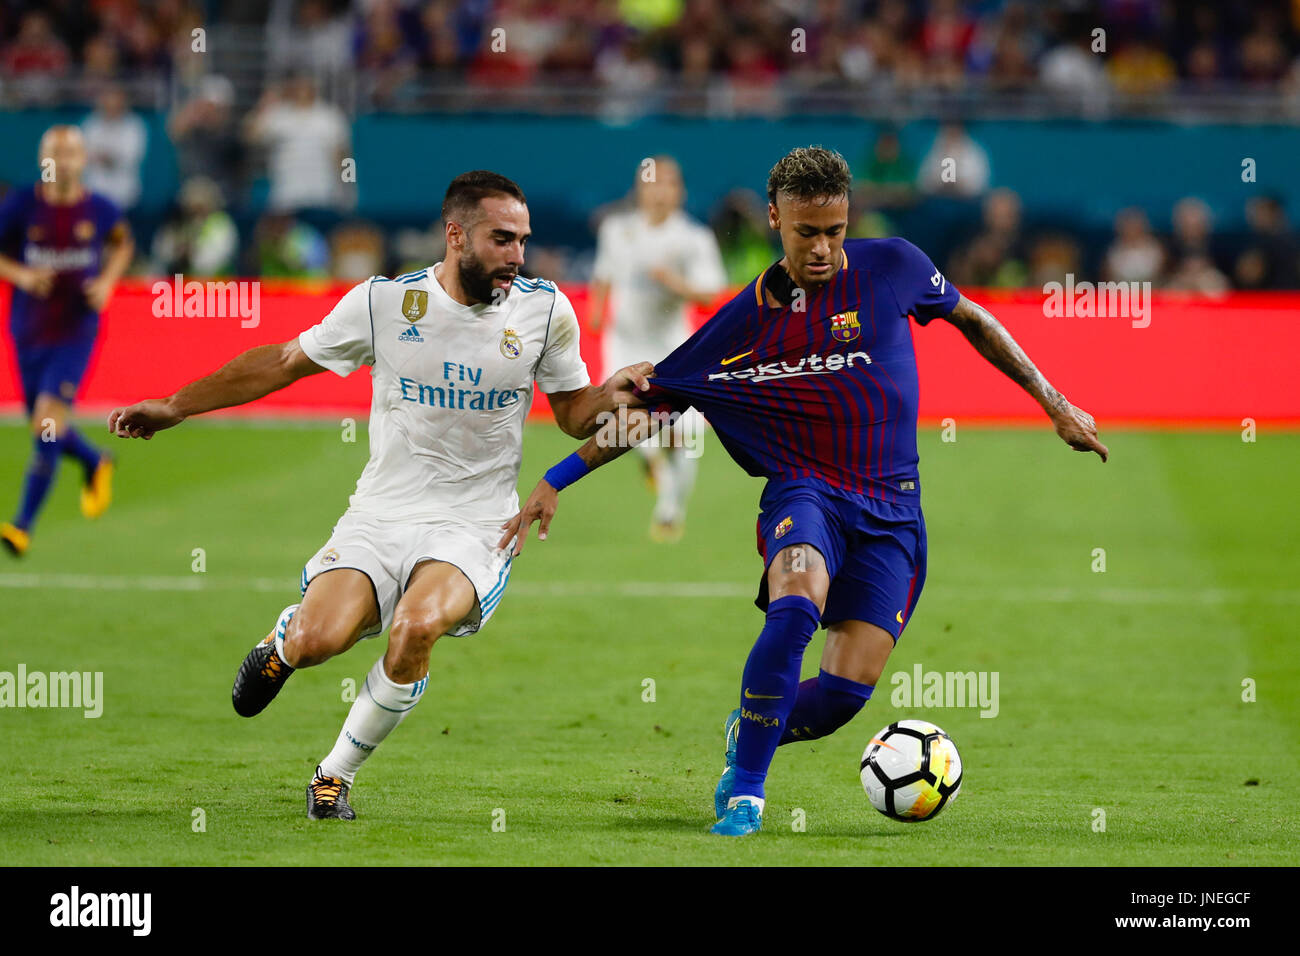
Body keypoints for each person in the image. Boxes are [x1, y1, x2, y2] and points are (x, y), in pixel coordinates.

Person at [504, 146, 1107, 836]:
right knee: (795, 605)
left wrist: (1056, 403)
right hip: (804, 494)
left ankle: (751, 729)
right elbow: (651, 410)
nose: (822, 248)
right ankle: (747, 795)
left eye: (834, 230)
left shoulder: (896, 266)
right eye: (805, 232)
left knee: (843, 698)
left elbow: (973, 318)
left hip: (893, 511)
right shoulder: (739, 326)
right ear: (774, 219)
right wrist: (558, 477)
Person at [107, 171, 649, 820]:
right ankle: (284, 642)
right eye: (502, 240)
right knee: (318, 641)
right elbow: (283, 362)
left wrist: (612, 399)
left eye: (523, 241)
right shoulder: (384, 305)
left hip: (476, 525)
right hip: (381, 513)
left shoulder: (544, 310)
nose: (517, 256)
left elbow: (572, 413)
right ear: (456, 235)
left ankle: (334, 775)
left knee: (415, 627)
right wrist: (174, 405)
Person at [0, 126, 132, 557]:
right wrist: (22, 275)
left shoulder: (100, 209)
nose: (63, 159)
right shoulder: (20, 205)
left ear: (84, 160)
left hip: (75, 332)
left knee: (46, 424)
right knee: (45, 429)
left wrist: (109, 283)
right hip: (28, 331)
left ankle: (21, 526)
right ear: (43, 159)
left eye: (71, 152)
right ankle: (96, 460)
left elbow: (123, 244)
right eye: (54, 152)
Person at [589, 155, 726, 541]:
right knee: (626, 419)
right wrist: (597, 314)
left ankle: (670, 507)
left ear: (679, 191)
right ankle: (654, 469)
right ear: (640, 189)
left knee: (684, 434)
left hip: (671, 346)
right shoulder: (616, 230)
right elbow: (603, 275)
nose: (659, 191)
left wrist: (675, 283)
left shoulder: (693, 238)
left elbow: (711, 295)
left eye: (667, 183)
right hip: (626, 343)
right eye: (651, 183)